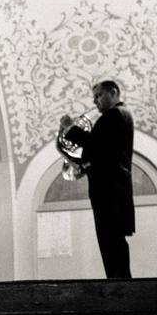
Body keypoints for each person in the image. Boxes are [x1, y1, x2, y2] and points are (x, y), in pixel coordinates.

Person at [59, 80, 135, 278]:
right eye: (94, 97)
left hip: (109, 188)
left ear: (113, 92)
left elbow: (94, 145)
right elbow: (103, 151)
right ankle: (120, 283)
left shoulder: (115, 115)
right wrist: (83, 163)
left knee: (110, 241)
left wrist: (69, 128)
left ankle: (119, 287)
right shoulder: (119, 116)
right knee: (112, 241)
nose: (95, 102)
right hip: (113, 186)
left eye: (99, 95)